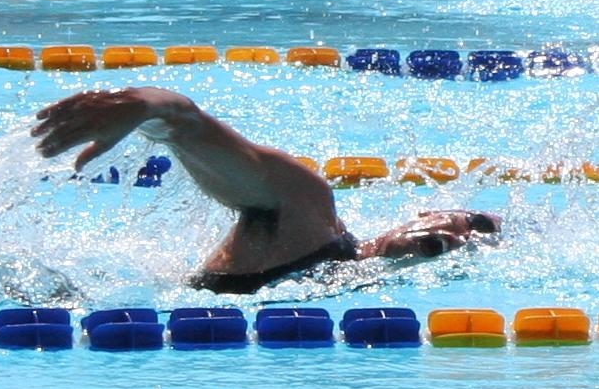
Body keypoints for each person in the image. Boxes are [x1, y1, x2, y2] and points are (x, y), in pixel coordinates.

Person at [32, 87, 502, 294]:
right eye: (475, 222)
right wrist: (144, 106)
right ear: (427, 212)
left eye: (473, 243)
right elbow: (186, 123)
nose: (460, 238)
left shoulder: (336, 266)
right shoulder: (308, 209)